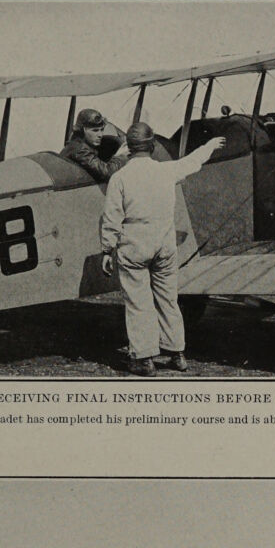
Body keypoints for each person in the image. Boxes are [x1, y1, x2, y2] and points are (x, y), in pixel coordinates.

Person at [100, 122, 225, 376]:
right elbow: (192, 162)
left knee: (138, 302)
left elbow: (111, 217)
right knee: (168, 298)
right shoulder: (166, 170)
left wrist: (107, 249)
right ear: (152, 145)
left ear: (129, 147)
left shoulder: (119, 178)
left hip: (135, 243)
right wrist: (210, 146)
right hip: (165, 243)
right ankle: (177, 353)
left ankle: (144, 358)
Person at [60, 108, 129, 182]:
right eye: (95, 130)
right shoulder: (80, 149)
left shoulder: (77, 143)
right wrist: (120, 156)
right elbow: (107, 172)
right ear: (83, 130)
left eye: (102, 130)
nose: (100, 135)